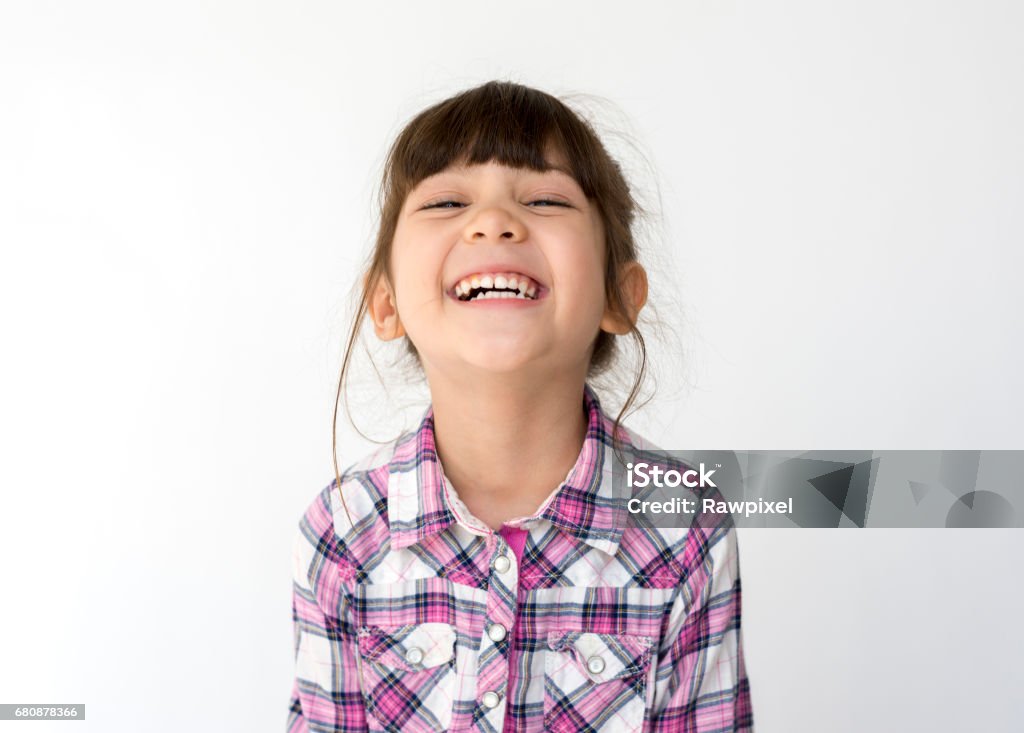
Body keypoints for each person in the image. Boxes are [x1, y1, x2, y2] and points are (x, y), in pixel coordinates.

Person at [287, 80, 752, 732]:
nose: (494, 221)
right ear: (386, 303)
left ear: (619, 296)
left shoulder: (686, 529)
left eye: (544, 199)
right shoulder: (340, 535)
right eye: (448, 200)